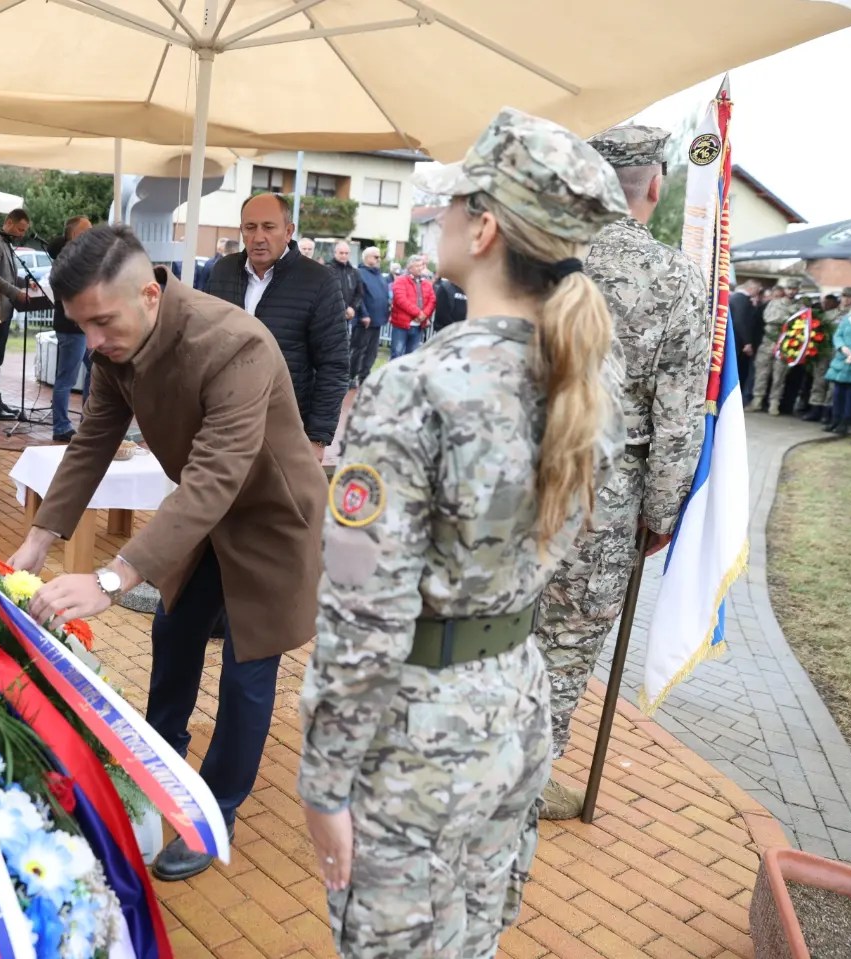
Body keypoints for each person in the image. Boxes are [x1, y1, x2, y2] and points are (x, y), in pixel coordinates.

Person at [298, 107, 626, 958]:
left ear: (483, 229)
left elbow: (363, 615)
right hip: (514, 704)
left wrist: (324, 780)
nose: (438, 217)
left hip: (419, 737)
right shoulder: (581, 376)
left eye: (451, 203)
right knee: (474, 940)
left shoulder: (417, 386)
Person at [9, 225, 328, 882]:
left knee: (247, 666)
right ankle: (158, 757)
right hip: (200, 517)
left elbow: (216, 475)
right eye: (80, 325)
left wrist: (112, 576)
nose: (92, 341)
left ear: (149, 295)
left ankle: (216, 808)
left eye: (101, 322)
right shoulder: (115, 345)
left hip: (271, 517)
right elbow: (93, 440)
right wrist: (38, 539)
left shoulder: (235, 343)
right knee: (174, 628)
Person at [532, 125, 712, 820]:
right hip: (605, 495)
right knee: (568, 643)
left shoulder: (539, 256)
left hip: (518, 473)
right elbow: (677, 416)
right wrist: (662, 514)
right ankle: (520, 790)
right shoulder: (674, 276)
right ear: (655, 185)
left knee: (501, 624)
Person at [204, 193, 349, 459]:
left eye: (269, 227)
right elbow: (206, 345)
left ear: (288, 231)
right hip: (223, 426)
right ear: (241, 230)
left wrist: (317, 438)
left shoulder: (319, 281)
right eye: (250, 227)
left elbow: (334, 365)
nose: (258, 237)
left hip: (286, 432)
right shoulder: (223, 271)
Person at [0, 208, 34, 419]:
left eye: (24, 230)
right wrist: (16, 293)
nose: (22, 234)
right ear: (9, 222)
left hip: (5, 310)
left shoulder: (6, 243)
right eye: (20, 229)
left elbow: (9, 275)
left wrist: (26, 283)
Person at [47, 215, 95, 442]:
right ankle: (61, 426)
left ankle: (88, 422)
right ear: (76, 234)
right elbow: (68, 293)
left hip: (84, 326)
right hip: (71, 326)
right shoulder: (66, 260)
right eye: (88, 230)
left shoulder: (80, 257)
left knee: (94, 370)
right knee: (66, 377)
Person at [748, 279, 803, 413]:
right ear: (785, 289)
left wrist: (788, 318)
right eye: (789, 288)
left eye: (794, 289)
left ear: (797, 290)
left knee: (779, 376)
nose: (791, 291)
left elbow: (802, 323)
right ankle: (757, 400)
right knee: (761, 373)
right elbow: (768, 318)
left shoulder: (800, 307)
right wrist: (788, 317)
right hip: (768, 341)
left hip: (786, 344)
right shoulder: (774, 303)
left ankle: (774, 403)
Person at [805, 290, 851, 422]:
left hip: (840, 353)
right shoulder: (829, 314)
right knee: (819, 379)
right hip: (824, 350)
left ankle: (828, 410)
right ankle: (815, 407)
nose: (846, 300)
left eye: (850, 297)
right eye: (844, 296)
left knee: (833, 382)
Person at [351, 246, 391, 387]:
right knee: (358, 350)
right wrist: (364, 314)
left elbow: (384, 294)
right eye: (376, 256)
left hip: (377, 320)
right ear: (366, 257)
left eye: (379, 257)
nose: (379, 259)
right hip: (364, 321)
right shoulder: (359, 273)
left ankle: (364, 376)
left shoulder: (379, 275)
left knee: (372, 352)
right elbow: (358, 296)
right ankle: (351, 377)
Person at [824, 302, 851, 436]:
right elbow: (838, 335)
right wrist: (842, 347)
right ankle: (835, 419)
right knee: (837, 391)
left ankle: (845, 422)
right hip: (842, 359)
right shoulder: (847, 318)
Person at [389, 255, 436, 358]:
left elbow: (432, 300)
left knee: (411, 357)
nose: (420, 268)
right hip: (401, 325)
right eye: (417, 266)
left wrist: (425, 314)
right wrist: (418, 313)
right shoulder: (400, 280)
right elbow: (401, 299)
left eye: (421, 265)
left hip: (418, 326)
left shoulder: (427, 283)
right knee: (397, 354)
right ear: (410, 268)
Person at [327, 241, 365, 362]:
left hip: (347, 317)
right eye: (341, 253)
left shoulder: (354, 272)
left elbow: (359, 293)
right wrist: (344, 307)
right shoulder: (328, 269)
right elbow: (329, 292)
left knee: (343, 348)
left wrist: (353, 308)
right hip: (330, 315)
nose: (344, 255)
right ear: (335, 253)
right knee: (329, 347)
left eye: (346, 253)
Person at [729, 279, 763, 405]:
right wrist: (747, 342)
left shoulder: (736, 298)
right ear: (752, 288)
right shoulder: (741, 300)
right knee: (738, 371)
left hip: (736, 341)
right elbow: (741, 322)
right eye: (757, 290)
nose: (757, 293)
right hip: (739, 343)